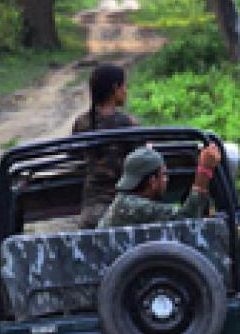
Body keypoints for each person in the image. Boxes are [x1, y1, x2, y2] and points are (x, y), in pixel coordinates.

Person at [71, 64, 140, 228]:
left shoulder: (82, 123)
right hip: (123, 208)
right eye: (124, 86)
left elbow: (74, 158)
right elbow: (143, 159)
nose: (126, 91)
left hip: (90, 210)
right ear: (115, 88)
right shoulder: (127, 124)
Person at [98, 143, 222, 228]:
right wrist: (204, 170)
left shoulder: (124, 203)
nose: (167, 180)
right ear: (152, 181)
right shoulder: (134, 206)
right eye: (163, 175)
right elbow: (187, 221)